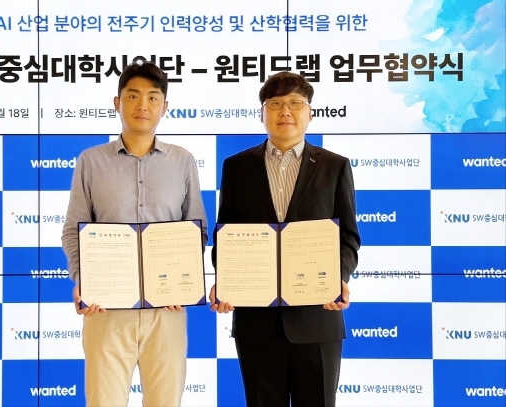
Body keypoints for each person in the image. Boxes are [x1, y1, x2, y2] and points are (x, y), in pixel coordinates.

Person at [209, 71, 361, 407]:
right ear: (262, 113)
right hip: (256, 322)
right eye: (275, 104)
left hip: (317, 317)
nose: (285, 111)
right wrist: (226, 281)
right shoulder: (236, 167)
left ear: (310, 113)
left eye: (295, 103)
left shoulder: (334, 166)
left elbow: (348, 236)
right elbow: (226, 235)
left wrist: (338, 277)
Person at [61, 61, 208, 407]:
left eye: (153, 97)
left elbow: (196, 229)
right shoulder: (91, 161)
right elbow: (73, 229)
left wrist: (182, 281)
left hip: (166, 310)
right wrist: (84, 280)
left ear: (164, 106)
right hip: (106, 309)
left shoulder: (183, 161)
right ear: (117, 102)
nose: (143, 105)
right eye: (133, 96)